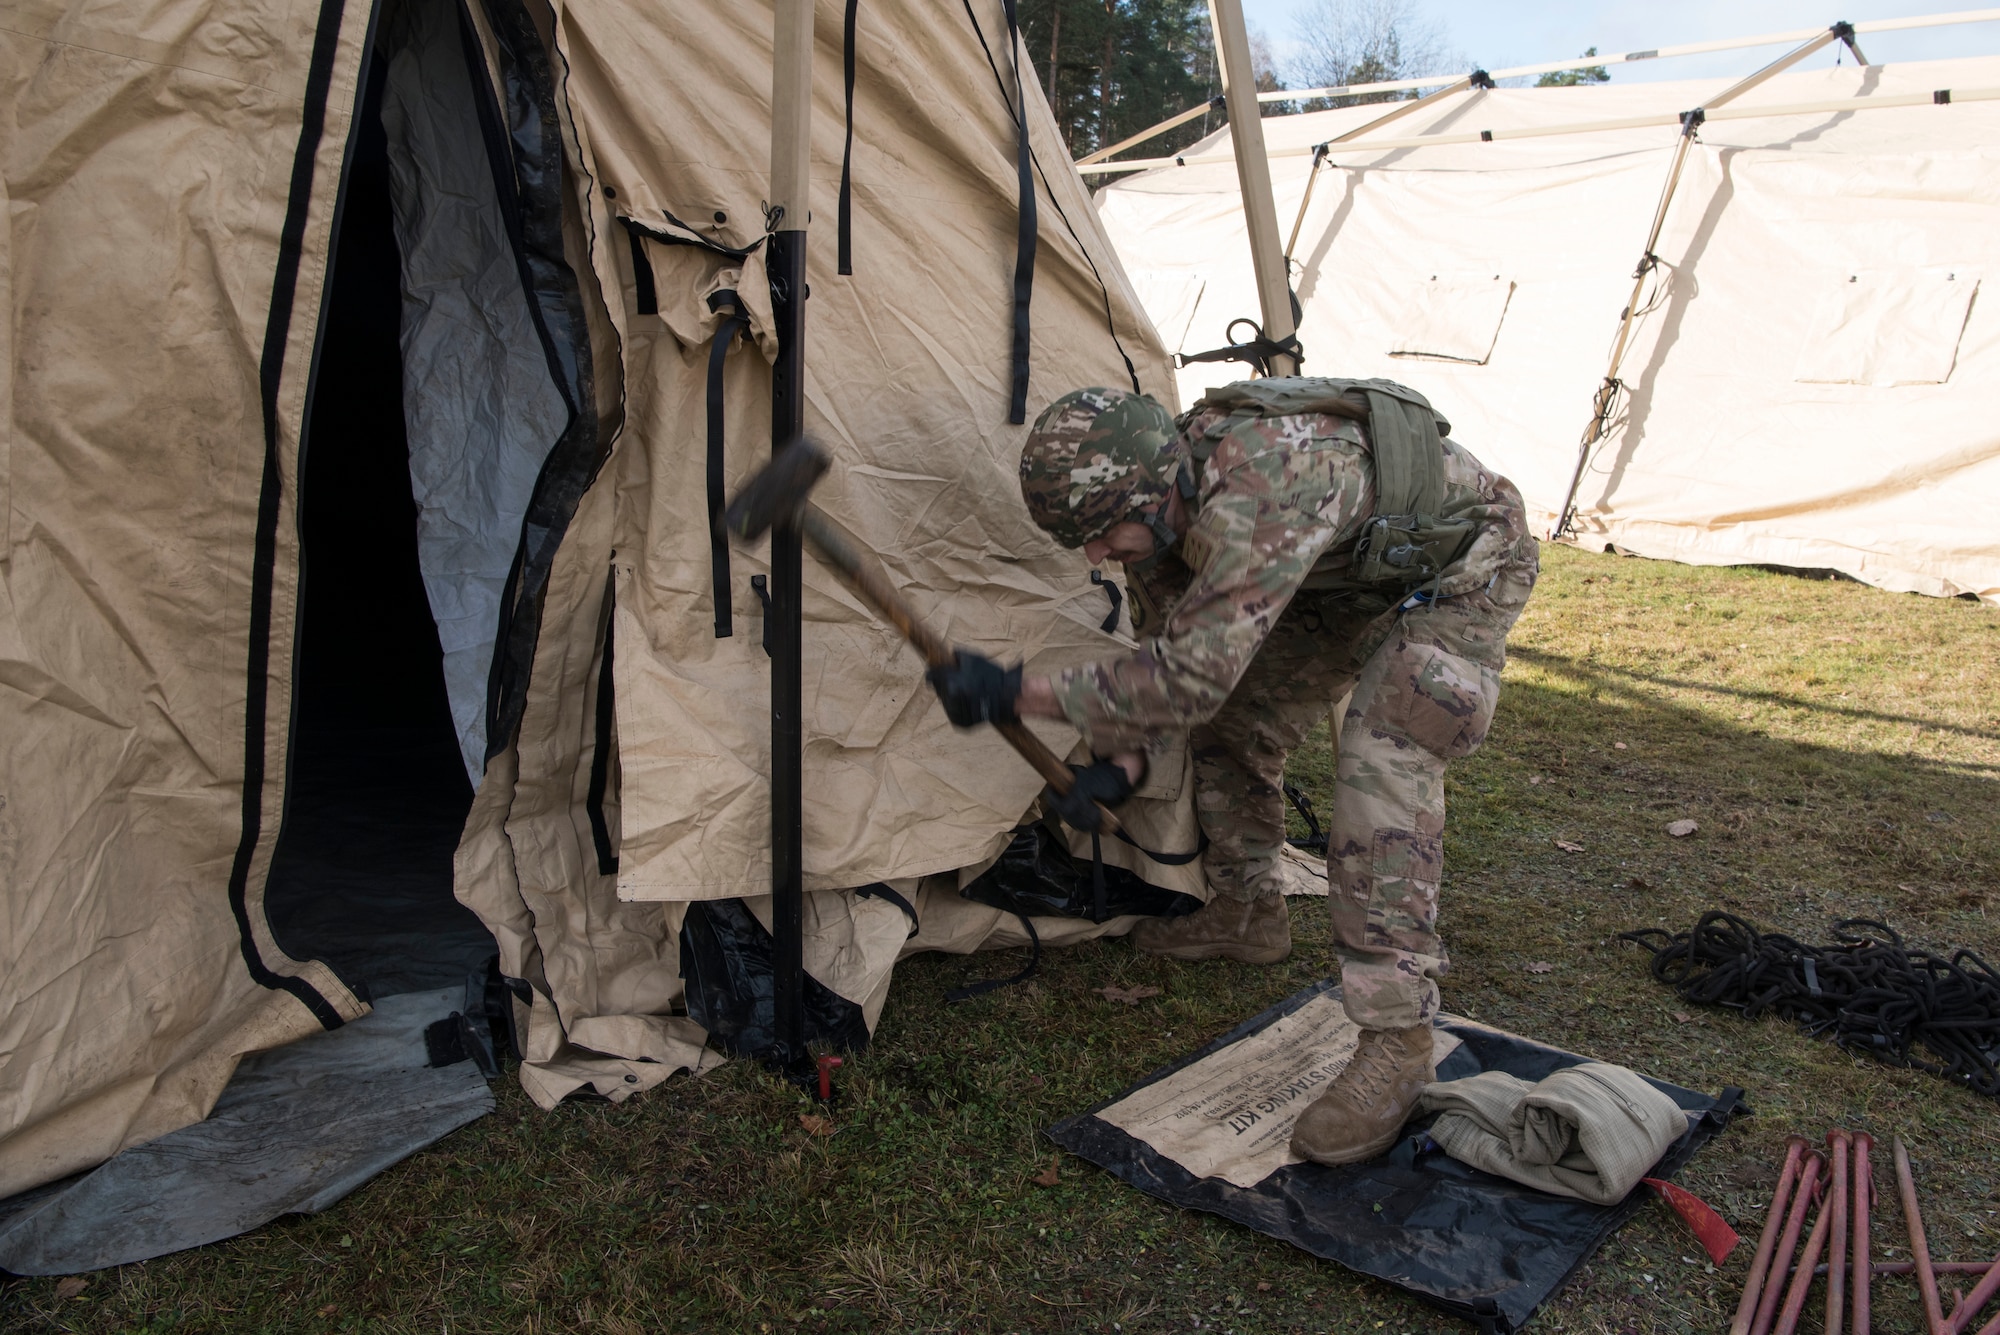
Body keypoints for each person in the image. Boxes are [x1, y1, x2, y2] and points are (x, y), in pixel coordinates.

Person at [926, 378, 1538, 1166]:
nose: (1094, 555)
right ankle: (1250, 910)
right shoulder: (1166, 511)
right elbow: (1174, 660)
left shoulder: (1268, 486)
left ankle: (1399, 1038)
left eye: (1105, 532)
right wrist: (1118, 763)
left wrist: (1016, 691)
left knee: (1385, 756)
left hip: (1464, 570)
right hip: (1349, 574)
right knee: (1233, 722)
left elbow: (1187, 676)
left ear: (1154, 495)